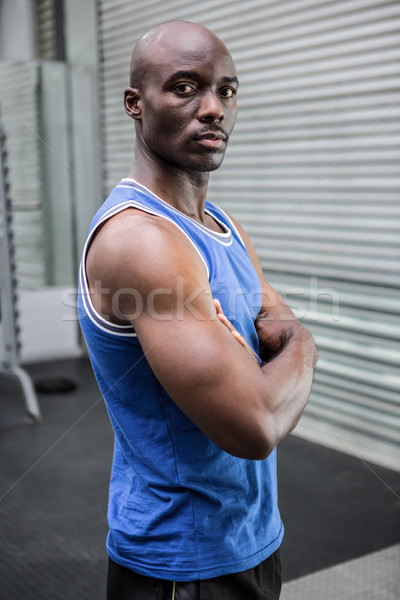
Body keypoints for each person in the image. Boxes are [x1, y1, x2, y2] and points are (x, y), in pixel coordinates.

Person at [78, 20, 318, 600]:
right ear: (136, 103)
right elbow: (256, 424)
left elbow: (274, 333)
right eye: (186, 87)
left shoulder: (223, 227)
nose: (213, 108)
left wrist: (280, 342)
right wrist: (306, 342)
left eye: (226, 90)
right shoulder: (143, 241)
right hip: (182, 565)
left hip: (252, 537)